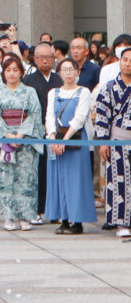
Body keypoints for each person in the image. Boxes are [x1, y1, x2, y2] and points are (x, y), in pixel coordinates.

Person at [0, 53, 43, 230]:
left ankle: (26, 216)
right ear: (3, 73)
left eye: (15, 70)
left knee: (27, 179)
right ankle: (9, 217)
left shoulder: (29, 92)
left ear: (21, 72)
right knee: (6, 178)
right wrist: (7, 135)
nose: (11, 74)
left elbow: (35, 115)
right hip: (5, 140)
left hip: (25, 141)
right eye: (8, 70)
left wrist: (21, 134)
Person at [45, 58, 97, 234]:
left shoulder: (84, 92)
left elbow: (80, 118)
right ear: (59, 72)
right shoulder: (53, 92)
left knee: (77, 181)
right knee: (58, 180)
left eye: (71, 69)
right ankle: (63, 219)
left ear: (77, 72)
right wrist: (53, 137)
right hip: (56, 142)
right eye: (64, 69)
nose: (68, 73)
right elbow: (49, 116)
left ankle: (78, 221)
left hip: (75, 139)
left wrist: (64, 140)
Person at [22, 43, 62, 224]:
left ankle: (54, 209)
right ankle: (36, 208)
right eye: (40, 57)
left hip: (55, 131)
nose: (44, 60)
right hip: (35, 131)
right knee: (36, 171)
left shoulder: (59, 79)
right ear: (35, 59)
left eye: (48, 57)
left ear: (54, 59)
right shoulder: (28, 80)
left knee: (55, 170)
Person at [94, 47, 131, 239]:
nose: (128, 63)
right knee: (118, 182)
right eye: (125, 59)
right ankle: (120, 222)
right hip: (117, 140)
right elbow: (101, 116)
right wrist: (103, 141)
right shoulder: (109, 87)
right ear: (120, 61)